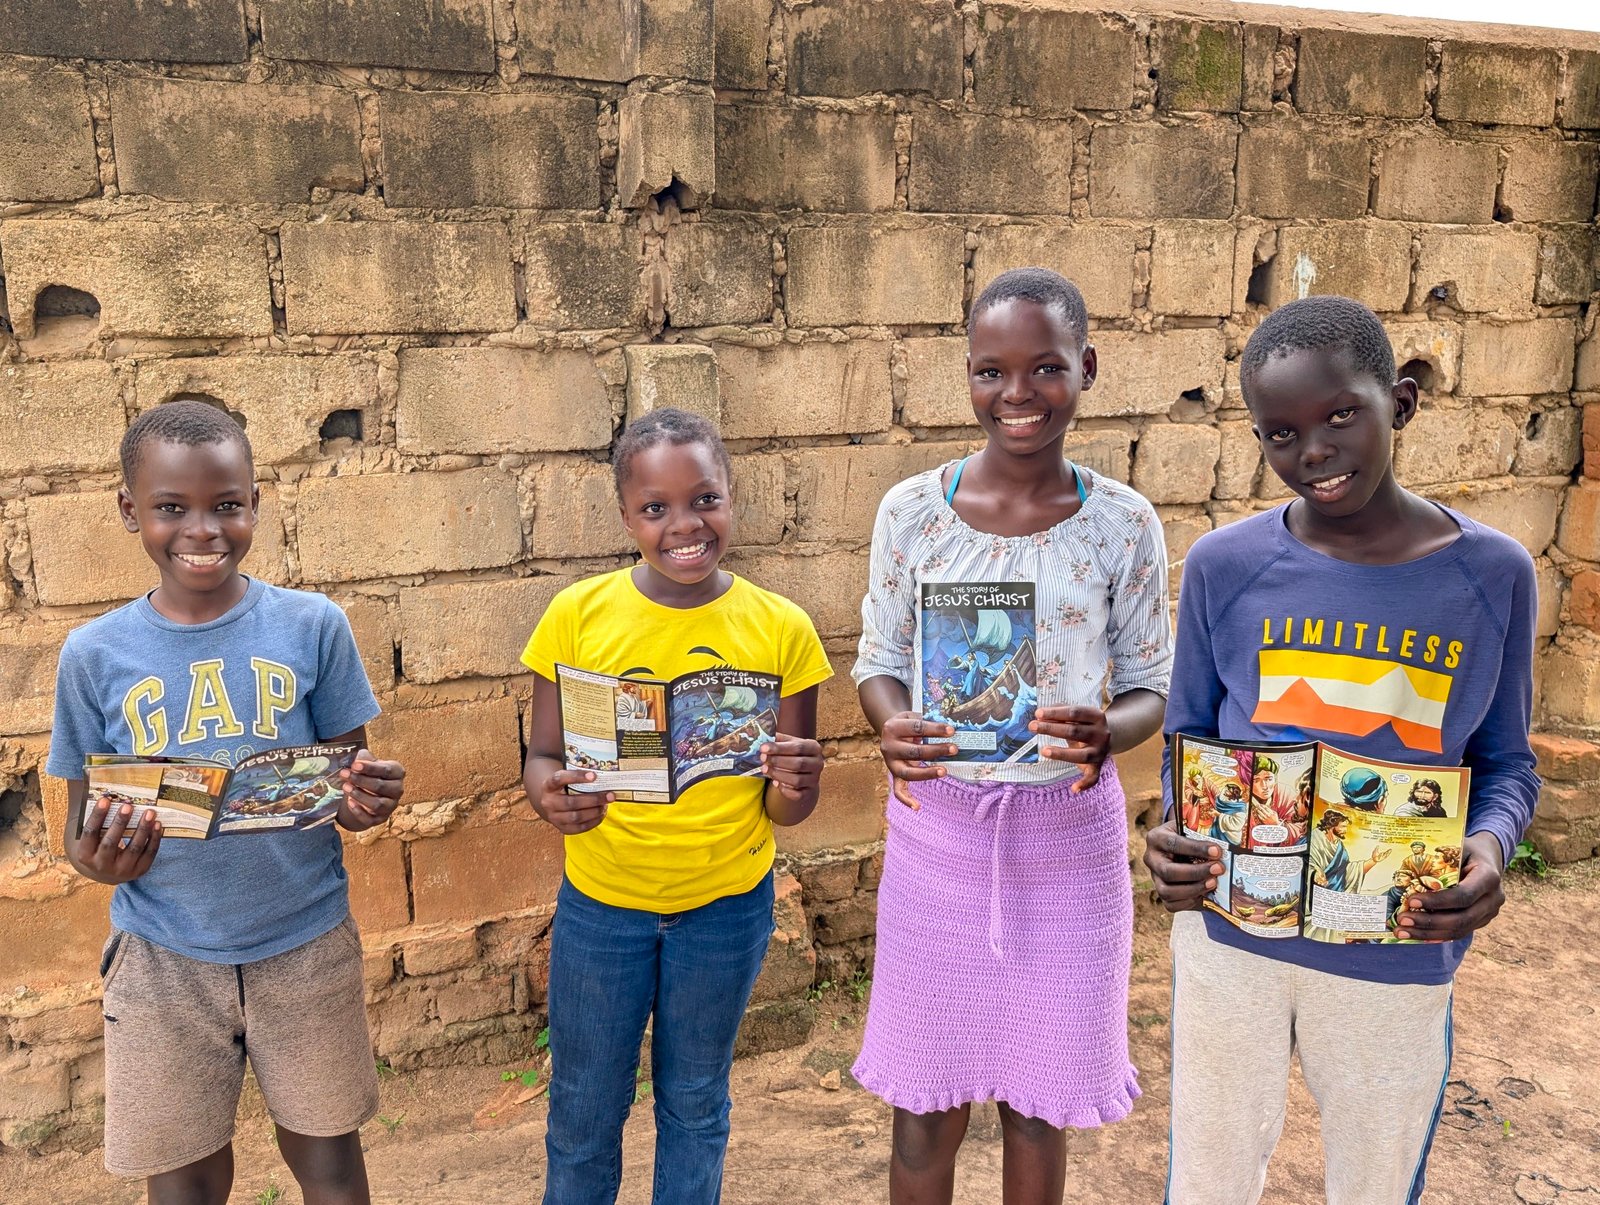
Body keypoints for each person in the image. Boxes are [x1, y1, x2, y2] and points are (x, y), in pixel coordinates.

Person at [1144, 296, 1540, 1205]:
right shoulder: (1224, 566)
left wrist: (1487, 850)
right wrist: (1172, 831)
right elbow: (1187, 743)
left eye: (1340, 416)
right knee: (1208, 1180)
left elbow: (1508, 765)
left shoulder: (1491, 576)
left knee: (1374, 1183)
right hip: (1232, 939)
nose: (1314, 452)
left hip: (1396, 948)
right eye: (1281, 433)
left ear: (1399, 403)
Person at [853, 267, 1172, 1204]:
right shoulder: (911, 513)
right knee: (925, 1109)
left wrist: (1107, 730)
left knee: (1039, 1104)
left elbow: (1151, 684)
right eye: (991, 371)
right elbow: (878, 660)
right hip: (940, 839)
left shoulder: (1124, 525)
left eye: (1046, 367)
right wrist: (891, 722)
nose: (1017, 393)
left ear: (1087, 368)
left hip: (1068, 849)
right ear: (967, 375)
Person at [47, 402, 406, 1205]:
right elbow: (77, 832)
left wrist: (367, 800)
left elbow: (344, 787)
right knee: (185, 1179)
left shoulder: (313, 626)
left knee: (329, 1160)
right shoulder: (92, 655)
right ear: (130, 510)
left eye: (228, 505)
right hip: (162, 956)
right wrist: (100, 859)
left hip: (305, 939)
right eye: (172, 507)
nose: (203, 530)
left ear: (255, 504)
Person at [519, 408, 831, 1204]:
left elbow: (785, 808)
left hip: (725, 907)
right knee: (584, 1108)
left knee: (695, 1102)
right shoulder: (576, 616)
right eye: (656, 507)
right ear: (627, 516)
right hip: (602, 906)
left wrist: (799, 782)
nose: (685, 524)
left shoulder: (782, 630)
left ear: (732, 498)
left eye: (705, 499)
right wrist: (551, 796)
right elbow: (542, 756)